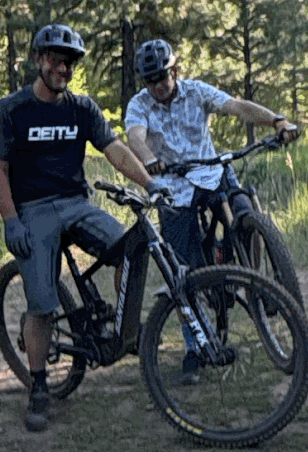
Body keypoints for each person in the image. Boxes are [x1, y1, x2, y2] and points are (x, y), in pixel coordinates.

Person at [0, 23, 156, 431]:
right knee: (43, 302)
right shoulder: (12, 109)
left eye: (70, 63)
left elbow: (114, 149)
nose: (63, 69)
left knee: (132, 248)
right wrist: (11, 220)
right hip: (33, 211)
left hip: (76, 204)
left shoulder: (82, 108)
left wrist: (151, 184)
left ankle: (124, 331)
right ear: (39, 60)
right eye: (56, 60)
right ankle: (40, 386)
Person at [122, 39, 298, 279]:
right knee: (185, 266)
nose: (157, 85)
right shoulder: (139, 104)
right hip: (174, 187)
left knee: (245, 214)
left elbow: (236, 106)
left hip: (212, 172)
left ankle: (255, 282)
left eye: (162, 77)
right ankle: (201, 298)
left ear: (174, 71)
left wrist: (278, 122)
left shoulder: (196, 91)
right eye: (150, 80)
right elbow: (135, 137)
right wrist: (148, 158)